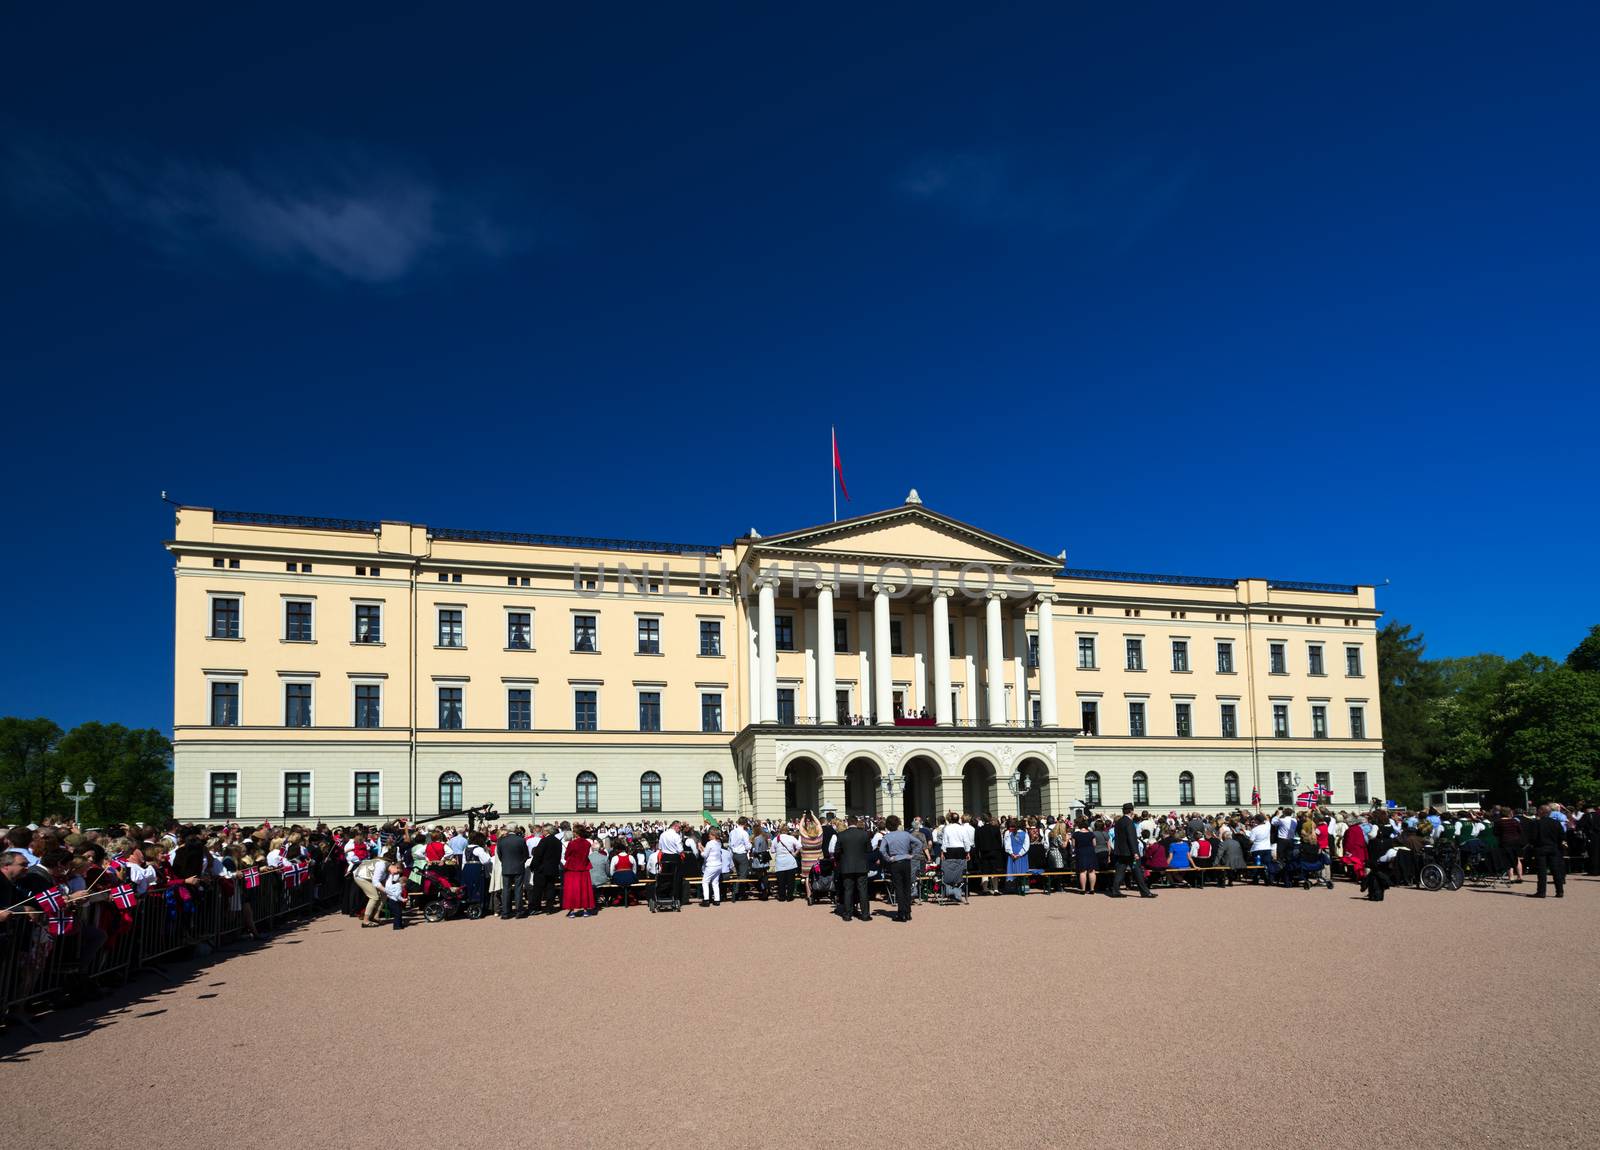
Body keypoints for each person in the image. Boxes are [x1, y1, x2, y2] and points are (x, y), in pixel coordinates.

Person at [1110, 803, 1155, 898]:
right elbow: (1131, 838)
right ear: (1131, 811)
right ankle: (1145, 892)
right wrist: (1135, 852)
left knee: (1120, 871)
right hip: (1130, 852)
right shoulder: (1129, 822)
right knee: (1137, 871)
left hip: (1120, 851)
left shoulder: (1119, 822)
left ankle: (1115, 890)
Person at [833, 816, 873, 922]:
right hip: (861, 865)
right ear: (856, 822)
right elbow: (869, 850)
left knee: (848, 890)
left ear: (847, 823)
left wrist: (842, 858)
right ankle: (865, 914)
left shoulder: (841, 835)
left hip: (847, 865)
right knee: (863, 891)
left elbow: (836, 851)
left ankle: (847, 914)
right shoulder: (864, 834)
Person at [879, 815, 916, 922]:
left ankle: (901, 913)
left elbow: (882, 850)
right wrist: (913, 854)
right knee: (907, 887)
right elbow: (918, 843)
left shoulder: (887, 837)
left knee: (899, 888)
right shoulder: (906, 834)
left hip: (895, 862)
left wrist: (888, 858)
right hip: (906, 861)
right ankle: (908, 912)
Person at [1529, 804, 1567, 899]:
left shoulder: (1536, 823)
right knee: (1556, 870)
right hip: (1553, 848)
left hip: (1540, 848)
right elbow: (1562, 836)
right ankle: (1560, 891)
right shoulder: (1556, 823)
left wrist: (1534, 844)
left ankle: (1541, 892)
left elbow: (1533, 837)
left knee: (1541, 871)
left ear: (1542, 812)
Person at [562, 826, 597, 918]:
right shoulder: (587, 843)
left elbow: (566, 856)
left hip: (572, 868)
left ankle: (572, 911)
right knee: (584, 889)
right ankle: (585, 910)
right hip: (584, 867)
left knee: (572, 889)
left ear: (576, 833)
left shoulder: (572, 843)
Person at [497, 825, 529, 919]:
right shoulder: (520, 840)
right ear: (515, 830)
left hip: (506, 867)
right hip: (518, 867)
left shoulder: (502, 840)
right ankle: (519, 911)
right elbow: (526, 854)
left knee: (506, 890)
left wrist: (505, 862)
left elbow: (500, 854)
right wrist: (521, 862)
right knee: (518, 890)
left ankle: (506, 912)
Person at [529, 825, 563, 915]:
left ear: (547, 831)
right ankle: (550, 908)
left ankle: (536, 908)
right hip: (552, 868)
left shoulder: (544, 841)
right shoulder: (557, 842)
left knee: (538, 890)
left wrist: (533, 866)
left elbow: (538, 855)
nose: (542, 832)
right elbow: (558, 856)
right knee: (550, 888)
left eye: (543, 830)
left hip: (541, 869)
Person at [772, 822, 801, 901]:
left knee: (781, 881)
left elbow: (772, 851)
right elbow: (799, 846)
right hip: (790, 861)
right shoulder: (791, 838)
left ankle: (782, 896)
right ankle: (789, 896)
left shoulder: (776, 839)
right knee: (790, 881)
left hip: (780, 862)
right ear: (787, 830)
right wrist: (795, 853)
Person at [1072, 816, 1098, 894]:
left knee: (1082, 871)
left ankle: (1083, 889)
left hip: (1080, 852)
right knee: (1091, 871)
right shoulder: (1091, 834)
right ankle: (1092, 889)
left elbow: (1073, 845)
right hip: (1090, 852)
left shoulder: (1076, 834)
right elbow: (1094, 844)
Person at [727, 818, 752, 900]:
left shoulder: (732, 832)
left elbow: (730, 844)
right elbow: (748, 846)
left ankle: (740, 893)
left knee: (739, 874)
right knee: (743, 875)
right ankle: (737, 892)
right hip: (742, 854)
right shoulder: (744, 833)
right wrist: (751, 844)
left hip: (734, 854)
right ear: (745, 824)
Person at [701, 829, 725, 907]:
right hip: (718, 865)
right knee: (715, 882)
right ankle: (717, 900)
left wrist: (700, 850)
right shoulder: (719, 843)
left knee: (705, 882)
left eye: (710, 834)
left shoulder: (709, 843)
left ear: (713, 835)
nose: (709, 835)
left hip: (711, 865)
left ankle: (706, 900)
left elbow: (705, 855)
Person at [383, 862, 407, 929]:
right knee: (398, 913)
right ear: (403, 883)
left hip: (392, 900)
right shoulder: (399, 887)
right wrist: (403, 899)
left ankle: (399, 925)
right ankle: (396, 926)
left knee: (398, 913)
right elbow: (397, 895)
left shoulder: (395, 884)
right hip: (394, 901)